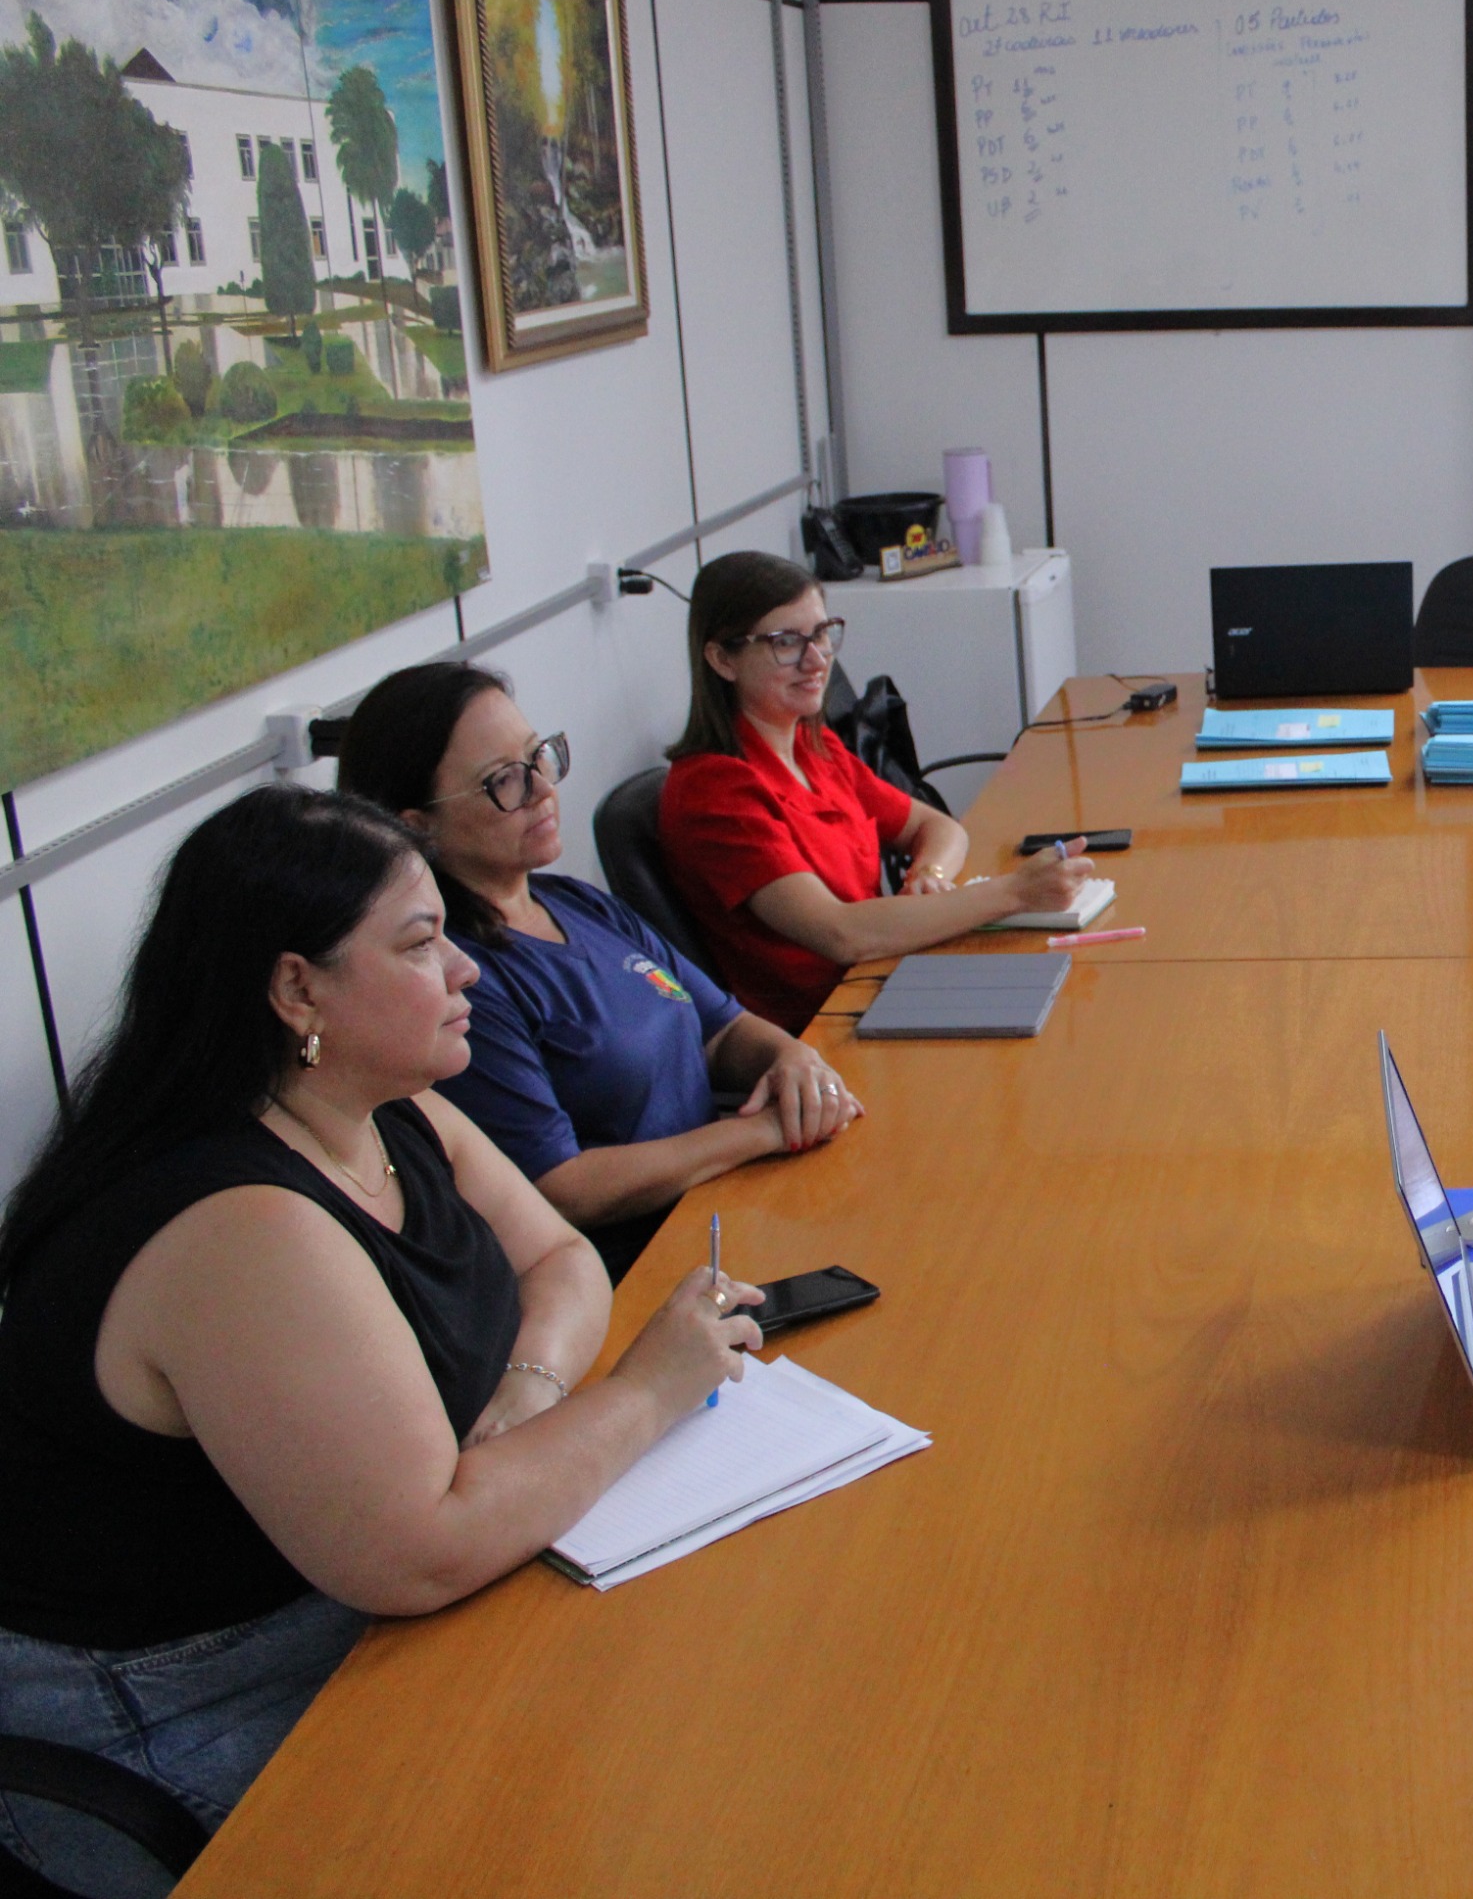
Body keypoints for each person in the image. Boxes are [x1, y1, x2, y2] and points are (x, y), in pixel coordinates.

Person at [0, 787, 764, 1897]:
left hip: (356, 1601)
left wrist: (533, 1391)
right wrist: (647, 1392)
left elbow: (559, 1259)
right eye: (422, 945)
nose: (469, 972)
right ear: (296, 988)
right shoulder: (239, 1224)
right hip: (191, 1693)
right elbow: (417, 1549)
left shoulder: (384, 1106)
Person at [337, 663, 858, 1281]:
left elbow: (721, 1028)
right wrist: (766, 1132)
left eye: (540, 758)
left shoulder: (575, 902)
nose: (541, 790)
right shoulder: (461, 979)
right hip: (638, 1268)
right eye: (504, 781)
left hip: (724, 1207)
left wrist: (791, 1063)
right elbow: (562, 1187)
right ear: (416, 828)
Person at [657, 550, 1091, 1031]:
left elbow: (936, 826)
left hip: (889, 977)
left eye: (822, 633)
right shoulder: (715, 791)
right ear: (722, 659)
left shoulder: (813, 747)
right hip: (829, 1030)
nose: (817, 659)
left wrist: (928, 873)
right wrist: (1013, 892)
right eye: (785, 642)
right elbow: (841, 934)